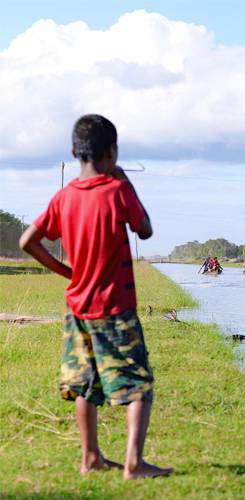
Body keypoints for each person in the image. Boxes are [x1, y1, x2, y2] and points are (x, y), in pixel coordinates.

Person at [18, 115, 170, 479]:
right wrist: (124, 178)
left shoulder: (64, 196)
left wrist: (69, 273)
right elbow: (145, 230)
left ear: (74, 152)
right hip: (115, 307)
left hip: (78, 308)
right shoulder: (117, 191)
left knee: (85, 384)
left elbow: (28, 241)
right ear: (112, 152)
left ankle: (91, 457)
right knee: (137, 384)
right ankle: (134, 463)